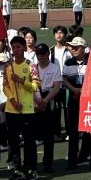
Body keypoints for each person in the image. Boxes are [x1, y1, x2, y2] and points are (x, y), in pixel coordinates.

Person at [3, 36, 40, 180]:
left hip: (27, 109)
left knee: (29, 140)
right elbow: (5, 87)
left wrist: (21, 81)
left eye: (18, 47)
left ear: (24, 48)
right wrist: (12, 101)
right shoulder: (8, 67)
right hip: (12, 110)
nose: (16, 50)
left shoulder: (31, 65)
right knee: (13, 141)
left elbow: (35, 86)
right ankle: (17, 169)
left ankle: (31, 168)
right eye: (13, 48)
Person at [62, 36, 91, 169]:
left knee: (88, 130)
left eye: (76, 47)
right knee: (73, 130)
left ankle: (86, 157)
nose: (73, 50)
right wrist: (74, 89)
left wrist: (84, 90)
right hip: (74, 99)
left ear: (83, 48)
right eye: (71, 47)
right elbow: (64, 79)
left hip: (88, 99)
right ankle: (72, 160)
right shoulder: (68, 63)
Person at [33, 43, 61, 173]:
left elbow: (56, 87)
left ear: (48, 54)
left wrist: (44, 101)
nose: (41, 56)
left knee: (49, 137)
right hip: (34, 101)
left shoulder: (54, 68)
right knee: (33, 136)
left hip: (48, 99)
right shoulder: (32, 68)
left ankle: (48, 163)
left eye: (43, 53)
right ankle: (32, 163)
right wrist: (37, 101)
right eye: (38, 54)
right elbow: (28, 87)